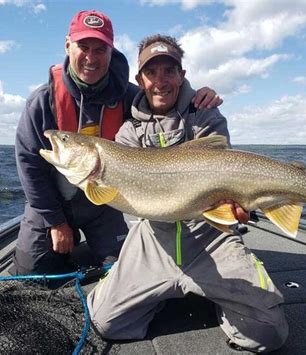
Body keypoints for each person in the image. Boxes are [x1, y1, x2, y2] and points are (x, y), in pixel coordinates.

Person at [87, 35, 289, 353]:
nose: (160, 81)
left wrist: (236, 206)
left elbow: (227, 180)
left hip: (212, 236)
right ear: (140, 80)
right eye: (151, 73)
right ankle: (161, 288)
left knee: (268, 333)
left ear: (182, 75)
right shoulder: (127, 134)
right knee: (106, 323)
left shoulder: (206, 116)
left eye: (169, 71)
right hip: (154, 239)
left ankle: (222, 288)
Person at [13, 10, 223, 276]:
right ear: (68, 45)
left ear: (111, 52)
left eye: (100, 49)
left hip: (105, 203)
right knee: (31, 275)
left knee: (120, 267)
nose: (91, 57)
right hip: (52, 202)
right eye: (83, 47)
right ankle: (59, 240)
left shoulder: (129, 95)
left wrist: (200, 95)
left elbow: (162, 96)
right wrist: (55, 222)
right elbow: (29, 165)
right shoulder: (42, 101)